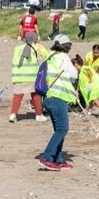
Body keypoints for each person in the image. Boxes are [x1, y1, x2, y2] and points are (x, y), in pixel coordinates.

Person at [38, 34, 79, 171]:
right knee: (62, 129)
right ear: (66, 45)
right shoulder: (63, 57)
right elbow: (74, 75)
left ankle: (58, 159)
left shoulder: (50, 57)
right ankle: (46, 157)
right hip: (57, 97)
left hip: (48, 98)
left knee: (59, 130)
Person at [9, 32, 49, 123]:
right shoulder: (35, 48)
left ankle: (13, 115)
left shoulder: (17, 48)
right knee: (36, 95)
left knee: (17, 96)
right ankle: (39, 115)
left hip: (18, 76)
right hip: (31, 76)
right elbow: (41, 61)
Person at [84, 44, 99, 111]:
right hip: (89, 71)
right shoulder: (88, 55)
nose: (95, 54)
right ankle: (92, 106)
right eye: (94, 52)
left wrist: (90, 79)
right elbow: (85, 64)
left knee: (93, 88)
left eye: (97, 53)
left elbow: (95, 71)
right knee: (90, 89)